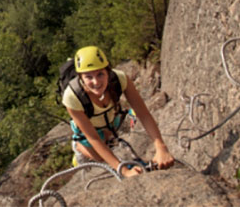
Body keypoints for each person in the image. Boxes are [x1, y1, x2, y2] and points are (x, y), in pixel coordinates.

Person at [62, 46, 174, 178]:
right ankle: (79, 147)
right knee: (99, 156)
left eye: (100, 74)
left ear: (108, 71)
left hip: (110, 120)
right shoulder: (72, 96)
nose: (96, 82)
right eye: (88, 77)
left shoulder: (120, 79)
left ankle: (107, 135)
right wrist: (124, 170)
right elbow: (93, 138)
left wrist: (161, 147)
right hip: (88, 131)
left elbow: (143, 113)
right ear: (81, 78)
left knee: (110, 142)